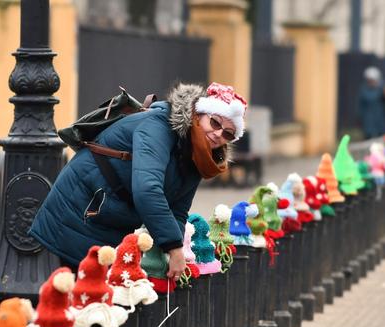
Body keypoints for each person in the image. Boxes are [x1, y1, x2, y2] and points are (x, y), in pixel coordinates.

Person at [30, 82, 247, 282]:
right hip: (79, 209)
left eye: (228, 133)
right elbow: (147, 190)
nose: (218, 133)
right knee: (76, 299)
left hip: (110, 218)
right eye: (215, 122)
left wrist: (175, 251)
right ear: (198, 114)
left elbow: (178, 210)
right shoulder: (159, 126)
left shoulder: (199, 154)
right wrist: (173, 248)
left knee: (101, 302)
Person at [358, 66, 385, 139]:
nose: (372, 82)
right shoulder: (364, 90)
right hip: (369, 123)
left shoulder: (382, 88)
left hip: (380, 122)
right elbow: (361, 105)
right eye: (370, 80)